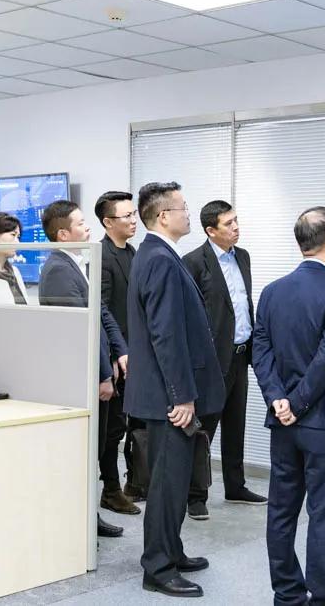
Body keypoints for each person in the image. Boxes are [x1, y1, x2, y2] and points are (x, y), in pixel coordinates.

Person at [124, 182, 225, 599]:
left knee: (176, 480)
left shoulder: (158, 255)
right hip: (168, 398)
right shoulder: (160, 260)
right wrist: (181, 396)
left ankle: (172, 550)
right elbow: (165, 334)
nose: (188, 213)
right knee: (167, 485)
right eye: (183, 207)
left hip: (165, 392)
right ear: (164, 216)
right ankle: (158, 567)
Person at [252, 207, 325, 606]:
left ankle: (287, 595)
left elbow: (260, 351)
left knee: (281, 511)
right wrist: (296, 403)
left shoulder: (272, 291)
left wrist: (278, 399)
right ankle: (323, 599)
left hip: (282, 423)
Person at [38, 199, 129, 540]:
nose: (88, 227)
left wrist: (121, 350)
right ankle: (80, 523)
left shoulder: (75, 262)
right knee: (84, 453)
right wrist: (103, 375)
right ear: (63, 234)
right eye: (80, 223)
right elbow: (81, 331)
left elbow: (101, 313)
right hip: (81, 376)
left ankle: (89, 515)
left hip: (97, 369)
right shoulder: (58, 270)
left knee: (96, 449)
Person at [182, 200, 267, 521]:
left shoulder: (242, 256)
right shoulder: (193, 262)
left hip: (241, 355)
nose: (236, 227)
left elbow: (242, 304)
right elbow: (190, 316)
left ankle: (235, 486)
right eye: (228, 224)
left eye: (236, 220)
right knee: (205, 428)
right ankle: (196, 494)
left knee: (235, 424)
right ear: (210, 230)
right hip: (211, 361)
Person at [94, 191, 142, 514]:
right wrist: (112, 355)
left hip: (134, 353)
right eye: (127, 216)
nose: (133, 220)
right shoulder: (102, 256)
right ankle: (110, 489)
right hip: (116, 356)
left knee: (129, 424)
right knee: (112, 429)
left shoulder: (132, 252)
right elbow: (102, 311)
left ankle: (133, 482)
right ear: (108, 222)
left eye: (134, 214)